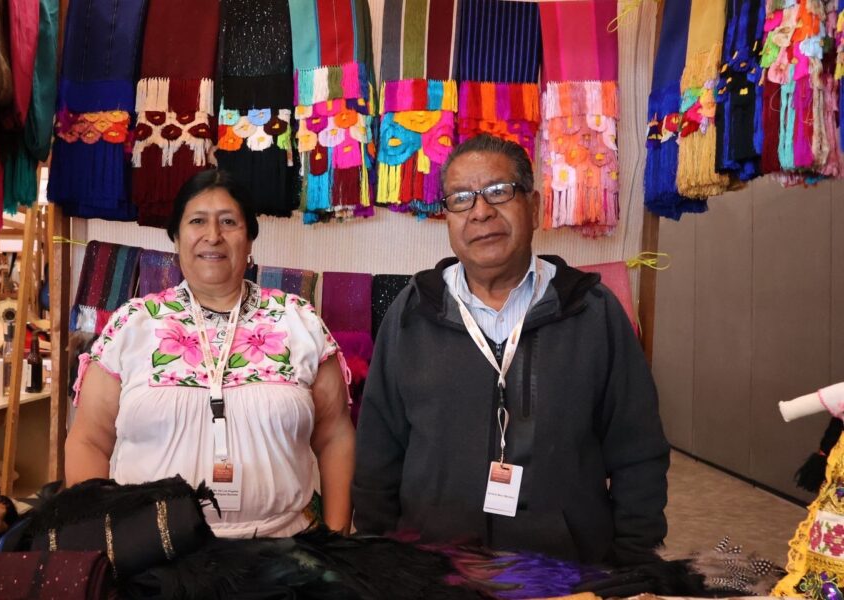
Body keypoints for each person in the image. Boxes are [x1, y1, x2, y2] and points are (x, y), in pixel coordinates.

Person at [352, 134, 669, 566]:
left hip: (567, 568)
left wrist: (634, 557)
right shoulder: (411, 314)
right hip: (434, 567)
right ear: (447, 217)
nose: (481, 211)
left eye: (499, 192)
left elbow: (638, 449)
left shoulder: (593, 311)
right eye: (461, 199)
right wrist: (379, 555)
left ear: (534, 207)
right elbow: (378, 450)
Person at [66, 169, 355, 537]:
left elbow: (334, 437)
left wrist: (337, 538)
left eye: (229, 222)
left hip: (284, 549)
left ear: (249, 239)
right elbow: (89, 440)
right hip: (152, 553)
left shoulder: (297, 320)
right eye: (197, 221)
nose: (213, 235)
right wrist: (97, 544)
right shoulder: (132, 324)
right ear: (176, 237)